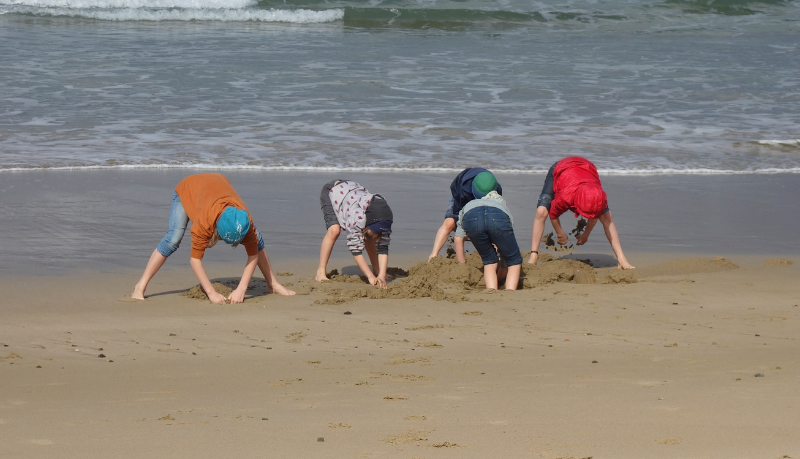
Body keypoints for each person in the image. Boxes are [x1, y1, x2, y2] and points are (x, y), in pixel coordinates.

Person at [131, 173, 295, 303]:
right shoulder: (204, 224)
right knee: (173, 238)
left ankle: (273, 284)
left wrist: (241, 289)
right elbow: (195, 260)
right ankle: (140, 287)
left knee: (257, 238)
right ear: (217, 230)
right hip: (188, 189)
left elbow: (253, 254)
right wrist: (211, 293)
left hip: (217, 183)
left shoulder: (245, 220)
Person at [528, 156, 634, 269]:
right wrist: (560, 233)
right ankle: (533, 256)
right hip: (561, 169)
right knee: (541, 211)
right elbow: (553, 214)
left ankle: (622, 259)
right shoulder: (565, 197)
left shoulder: (599, 196)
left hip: (587, 169)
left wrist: (585, 234)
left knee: (607, 217)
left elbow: (595, 214)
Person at [314, 180, 393, 289]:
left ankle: (377, 269)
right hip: (334, 192)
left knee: (368, 236)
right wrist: (369, 276)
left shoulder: (385, 219)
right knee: (334, 230)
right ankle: (320, 272)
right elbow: (355, 250)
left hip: (352, 192)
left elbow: (383, 248)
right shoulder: (357, 218)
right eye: (375, 231)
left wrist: (382, 276)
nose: (377, 235)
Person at [454, 172, 522, 291]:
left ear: (473, 192)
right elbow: (507, 231)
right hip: (498, 215)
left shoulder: (468, 205)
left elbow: (458, 237)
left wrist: (462, 263)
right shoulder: (500, 203)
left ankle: (491, 290)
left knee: (489, 261)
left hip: (471, 216)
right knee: (514, 260)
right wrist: (504, 261)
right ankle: (510, 291)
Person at [428, 167, 502, 260]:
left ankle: (494, 256)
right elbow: (458, 214)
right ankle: (433, 255)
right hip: (461, 196)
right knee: (450, 222)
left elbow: (496, 213)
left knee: (492, 229)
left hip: (484, 199)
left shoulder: (494, 188)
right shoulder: (462, 189)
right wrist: (464, 230)